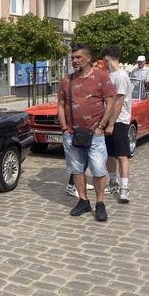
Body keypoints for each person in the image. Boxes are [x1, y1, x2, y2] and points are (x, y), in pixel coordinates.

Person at [57, 44, 116, 221]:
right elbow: (60, 105)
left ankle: (99, 203)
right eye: (73, 57)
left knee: (98, 169)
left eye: (78, 57)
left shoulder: (101, 77)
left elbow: (110, 102)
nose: (74, 60)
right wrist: (63, 128)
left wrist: (102, 126)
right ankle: (83, 201)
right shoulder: (66, 80)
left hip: (95, 134)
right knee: (76, 169)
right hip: (72, 133)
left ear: (88, 58)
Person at [101, 45, 132, 203]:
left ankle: (124, 188)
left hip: (119, 121)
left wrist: (111, 123)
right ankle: (113, 182)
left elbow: (119, 102)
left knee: (121, 155)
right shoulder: (109, 75)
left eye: (103, 60)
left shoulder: (120, 76)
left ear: (107, 58)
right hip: (109, 120)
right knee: (110, 155)